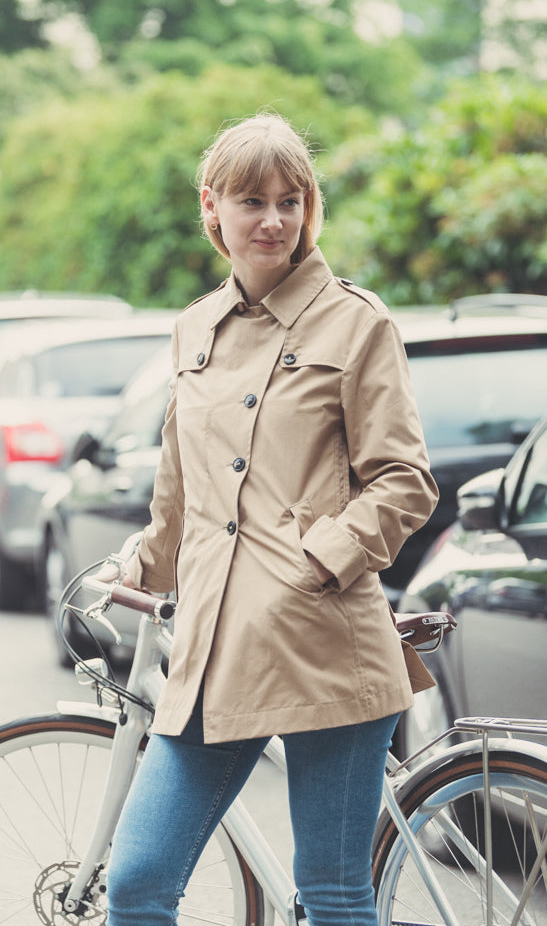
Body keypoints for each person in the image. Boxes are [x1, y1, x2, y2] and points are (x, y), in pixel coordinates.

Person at [97, 111, 439, 926]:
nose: (275, 220)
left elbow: (403, 481)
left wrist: (313, 563)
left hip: (329, 650)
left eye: (292, 199)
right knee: (138, 884)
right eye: (253, 200)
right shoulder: (192, 330)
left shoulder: (356, 322)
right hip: (216, 654)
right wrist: (133, 568)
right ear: (211, 206)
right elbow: (180, 501)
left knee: (329, 894)